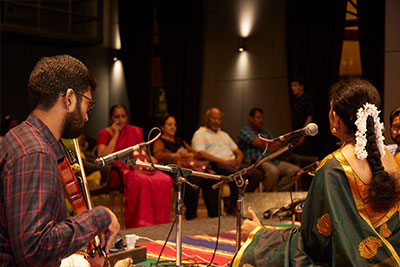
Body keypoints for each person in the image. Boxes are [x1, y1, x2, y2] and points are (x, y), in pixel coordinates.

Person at [233, 79, 400, 266]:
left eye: (330, 110)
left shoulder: (334, 166)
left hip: (356, 257)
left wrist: (261, 234)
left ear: (335, 118)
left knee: (264, 250)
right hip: (392, 252)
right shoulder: (388, 155)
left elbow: (315, 239)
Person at [0, 55, 120, 266]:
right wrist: (101, 217)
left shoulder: (20, 136)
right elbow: (34, 250)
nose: (86, 117)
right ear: (69, 98)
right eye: (88, 105)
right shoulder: (36, 153)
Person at [97, 104, 173, 229]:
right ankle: (139, 223)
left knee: (165, 179)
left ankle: (159, 222)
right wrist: (115, 135)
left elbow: (141, 151)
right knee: (140, 181)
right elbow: (102, 157)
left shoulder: (134, 131)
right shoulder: (104, 133)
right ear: (111, 118)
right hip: (118, 169)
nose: (120, 120)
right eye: (117, 116)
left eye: (123, 116)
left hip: (137, 165)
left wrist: (151, 160)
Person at [192, 107, 263, 215]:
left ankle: (232, 203)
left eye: (219, 119)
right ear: (206, 119)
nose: (217, 121)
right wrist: (225, 162)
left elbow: (238, 151)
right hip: (216, 165)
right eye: (214, 118)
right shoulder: (200, 133)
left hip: (232, 164)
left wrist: (238, 160)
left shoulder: (224, 134)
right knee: (236, 175)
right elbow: (200, 153)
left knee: (257, 174)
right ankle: (233, 206)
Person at [153, 115, 208, 220]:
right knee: (192, 179)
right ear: (162, 127)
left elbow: (195, 154)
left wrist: (188, 154)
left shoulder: (180, 141)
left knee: (206, 179)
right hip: (170, 170)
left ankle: (212, 214)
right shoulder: (159, 141)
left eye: (174, 125)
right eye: (169, 125)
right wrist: (175, 155)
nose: (173, 127)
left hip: (185, 168)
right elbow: (158, 156)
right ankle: (191, 215)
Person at [238, 107, 301, 191]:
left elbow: (278, 147)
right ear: (250, 118)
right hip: (258, 162)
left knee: (296, 171)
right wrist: (269, 145)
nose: (261, 120)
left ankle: (277, 192)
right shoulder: (244, 131)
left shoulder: (266, 133)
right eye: (258, 117)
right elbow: (257, 143)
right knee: (273, 172)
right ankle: (266, 195)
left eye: (262, 118)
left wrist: (265, 144)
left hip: (274, 160)